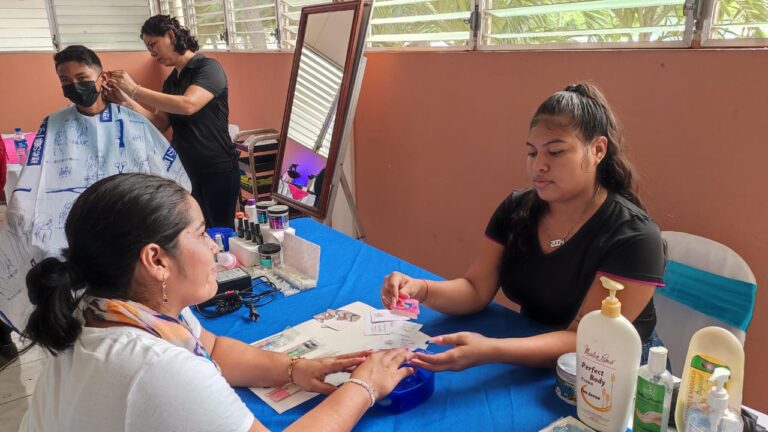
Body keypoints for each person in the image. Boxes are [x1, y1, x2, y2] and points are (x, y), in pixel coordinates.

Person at [21, 173, 414, 432]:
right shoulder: (157, 366)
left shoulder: (114, 306)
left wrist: (296, 369)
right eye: (202, 234)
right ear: (157, 260)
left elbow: (212, 347)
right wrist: (364, 387)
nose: (214, 248)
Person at [381, 83, 665, 371]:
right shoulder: (519, 209)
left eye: (555, 152)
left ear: (597, 150)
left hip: (614, 372)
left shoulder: (635, 237)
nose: (538, 166)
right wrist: (420, 289)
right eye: (532, 153)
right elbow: (476, 288)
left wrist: (491, 349)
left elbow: (585, 340)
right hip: (533, 348)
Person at [0, 45, 189, 337]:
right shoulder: (53, 124)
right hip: (72, 221)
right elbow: (33, 181)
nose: (74, 85)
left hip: (127, 218)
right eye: (65, 80)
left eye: (81, 77)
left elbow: (169, 175)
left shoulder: (133, 120)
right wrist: (20, 211)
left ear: (100, 75)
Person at [105, 15, 240, 229]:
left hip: (217, 168)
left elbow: (188, 105)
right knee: (193, 230)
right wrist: (126, 100)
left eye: (153, 44)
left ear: (170, 35)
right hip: (184, 168)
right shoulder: (171, 81)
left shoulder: (208, 68)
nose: (152, 53)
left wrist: (135, 90)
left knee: (221, 231)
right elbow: (159, 123)